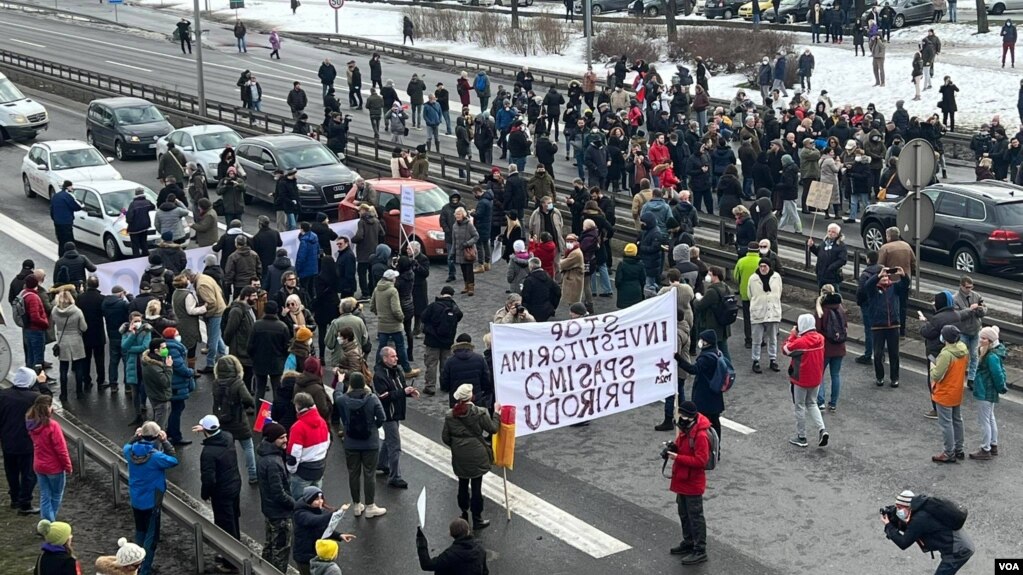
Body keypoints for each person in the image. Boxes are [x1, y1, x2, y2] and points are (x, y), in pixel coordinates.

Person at [442, 384, 500, 530]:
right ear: (471, 397)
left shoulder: (450, 415)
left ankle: (463, 513)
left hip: (460, 455)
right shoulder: (480, 412)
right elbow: (493, 428)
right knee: (476, 487)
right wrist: (497, 413)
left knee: (462, 484)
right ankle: (477, 518)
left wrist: (457, 445)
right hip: (477, 453)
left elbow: (445, 438)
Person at [124, 421, 178, 575]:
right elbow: (174, 460)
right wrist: (165, 441)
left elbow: (126, 446)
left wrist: (135, 436)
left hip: (136, 499)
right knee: (151, 537)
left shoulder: (130, 452)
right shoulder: (156, 458)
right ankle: (144, 568)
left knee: (140, 532)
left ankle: (135, 563)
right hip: (152, 502)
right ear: (156, 437)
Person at [333, 372, 387, 518]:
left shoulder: (343, 400)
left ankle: (357, 505)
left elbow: (336, 395)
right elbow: (382, 417)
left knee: (353, 473)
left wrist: (339, 382)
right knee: (369, 474)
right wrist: (373, 427)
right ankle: (370, 506)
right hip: (370, 442)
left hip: (351, 442)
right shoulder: (372, 398)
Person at [882, 490, 974, 574]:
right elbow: (913, 531)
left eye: (899, 507)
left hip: (959, 551)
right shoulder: (922, 507)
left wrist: (888, 525)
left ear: (908, 507)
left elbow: (903, 542)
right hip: (957, 545)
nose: (898, 510)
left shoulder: (920, 519)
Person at [664, 401, 711, 566]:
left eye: (682, 415)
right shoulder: (687, 429)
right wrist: (673, 448)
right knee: (684, 513)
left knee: (695, 517)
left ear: (689, 417)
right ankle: (689, 541)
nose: (680, 418)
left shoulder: (700, 436)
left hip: (692, 482)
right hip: (682, 479)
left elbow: (701, 461)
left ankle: (700, 550)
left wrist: (677, 458)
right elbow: (681, 446)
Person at [195, 414, 242, 572]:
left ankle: (231, 562)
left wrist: (204, 494)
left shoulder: (208, 453)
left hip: (221, 492)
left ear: (205, 430)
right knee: (233, 519)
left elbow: (208, 479)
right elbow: (215, 433)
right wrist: (207, 429)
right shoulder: (228, 437)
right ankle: (236, 552)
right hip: (234, 484)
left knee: (224, 525)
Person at [783, 314, 829, 448]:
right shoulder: (820, 338)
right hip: (816, 379)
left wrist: (792, 335)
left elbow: (786, 349)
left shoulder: (800, 342)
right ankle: (822, 429)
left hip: (801, 379)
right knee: (812, 403)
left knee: (800, 406)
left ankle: (801, 436)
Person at [211, 355, 258, 484]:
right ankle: (253, 475)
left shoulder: (216, 383)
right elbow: (248, 399)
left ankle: (228, 475)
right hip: (238, 419)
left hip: (222, 420)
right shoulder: (237, 383)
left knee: (226, 450)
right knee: (248, 447)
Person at [255, 422, 294, 573]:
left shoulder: (266, 455)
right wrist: (294, 504)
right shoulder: (272, 462)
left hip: (270, 510)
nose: (286, 440)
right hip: (280, 514)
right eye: (282, 438)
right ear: (272, 439)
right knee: (280, 552)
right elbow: (279, 493)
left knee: (270, 547)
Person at [26, 394, 70, 523]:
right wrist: (68, 465)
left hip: (39, 464)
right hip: (54, 466)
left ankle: (45, 522)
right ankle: (50, 524)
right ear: (48, 408)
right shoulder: (52, 426)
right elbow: (61, 449)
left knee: (45, 495)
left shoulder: (31, 423)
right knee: (56, 495)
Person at [929, 325, 968, 463]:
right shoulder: (963, 349)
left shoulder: (946, 354)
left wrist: (933, 367)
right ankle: (959, 448)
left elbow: (937, 375)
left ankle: (948, 452)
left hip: (945, 392)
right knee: (957, 420)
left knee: (946, 424)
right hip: (956, 390)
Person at [293, 488, 355, 575]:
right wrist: (335, 514)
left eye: (321, 498)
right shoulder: (300, 514)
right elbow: (316, 521)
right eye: (316, 499)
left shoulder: (316, 509)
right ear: (309, 499)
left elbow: (323, 529)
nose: (320, 501)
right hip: (304, 557)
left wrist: (339, 535)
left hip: (314, 554)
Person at [864, 267, 908, 387]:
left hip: (893, 325)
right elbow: (867, 285)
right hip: (878, 326)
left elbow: (905, 285)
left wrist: (903, 275)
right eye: (882, 277)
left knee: (894, 354)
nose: (884, 278)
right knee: (878, 354)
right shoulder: (873, 289)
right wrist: (878, 275)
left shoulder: (894, 288)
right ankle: (880, 376)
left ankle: (895, 378)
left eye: (886, 276)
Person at [969, 325, 1005, 460]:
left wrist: (1001, 387)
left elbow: (998, 374)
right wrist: (1000, 388)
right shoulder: (994, 353)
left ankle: (985, 449)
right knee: (990, 417)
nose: (980, 340)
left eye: (983, 338)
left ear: (990, 340)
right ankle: (993, 444)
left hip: (985, 390)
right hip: (989, 390)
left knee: (984, 420)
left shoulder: (990, 356)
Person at [286, 392, 330, 500]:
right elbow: (327, 443)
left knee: (300, 501)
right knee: (316, 499)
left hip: (303, 471)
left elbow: (294, 453)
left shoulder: (298, 427)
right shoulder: (322, 422)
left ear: (298, 406)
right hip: (319, 467)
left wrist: (292, 469)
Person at [420, 286, 462, 397]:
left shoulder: (434, 306)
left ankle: (430, 386)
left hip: (432, 340)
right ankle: (445, 385)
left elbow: (423, 317)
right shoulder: (454, 307)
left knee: (431, 364)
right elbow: (459, 317)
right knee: (446, 364)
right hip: (447, 341)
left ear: (442, 293)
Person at [877, 227, 916, 335]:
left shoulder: (885, 248)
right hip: (904, 281)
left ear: (888, 236)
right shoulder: (906, 246)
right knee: (903, 307)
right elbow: (914, 263)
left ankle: (891, 329)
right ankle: (902, 331)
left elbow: (880, 266)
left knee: (891, 307)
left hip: (890, 283)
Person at [51, 289, 89, 401]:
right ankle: (79, 392)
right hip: (76, 341)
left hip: (62, 341)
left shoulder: (54, 310)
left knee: (63, 369)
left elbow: (52, 324)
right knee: (78, 368)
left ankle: (63, 394)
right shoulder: (77, 311)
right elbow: (84, 327)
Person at [814, 285, 848, 411]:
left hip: (825, 348)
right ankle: (833, 403)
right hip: (839, 347)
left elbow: (817, 329)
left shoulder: (821, 309)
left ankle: (820, 401)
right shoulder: (840, 308)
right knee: (835, 375)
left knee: (820, 375)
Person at [416, 518, 489, 574]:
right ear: (468, 531)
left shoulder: (449, 555)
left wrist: (421, 541)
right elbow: (485, 572)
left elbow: (427, 565)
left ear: (451, 534)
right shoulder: (480, 549)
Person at [748, 258, 782, 374]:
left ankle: (773, 360)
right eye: (761, 266)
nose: (762, 268)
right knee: (756, 340)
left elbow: (779, 292)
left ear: (769, 267)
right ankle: (755, 361)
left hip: (773, 313)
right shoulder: (753, 278)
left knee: (773, 338)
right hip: (758, 312)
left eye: (765, 266)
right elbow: (750, 294)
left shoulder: (776, 277)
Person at [140, 338, 173, 430]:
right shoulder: (154, 367)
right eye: (163, 348)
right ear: (156, 350)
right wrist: (169, 367)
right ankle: (158, 443)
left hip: (156, 395)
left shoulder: (151, 361)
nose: (166, 350)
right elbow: (165, 382)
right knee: (160, 428)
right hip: (161, 397)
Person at [807, 223, 847, 290]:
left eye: (833, 232)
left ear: (837, 234)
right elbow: (819, 253)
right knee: (822, 293)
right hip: (821, 274)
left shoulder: (841, 245)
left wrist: (831, 268)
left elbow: (843, 260)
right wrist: (812, 247)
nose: (830, 233)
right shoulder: (824, 242)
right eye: (829, 231)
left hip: (832, 276)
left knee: (833, 294)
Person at [452, 207, 480, 297]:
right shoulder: (454, 226)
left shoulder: (469, 225)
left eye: (459, 214)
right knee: (463, 270)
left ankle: (471, 287)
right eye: (456, 214)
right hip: (459, 251)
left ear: (463, 215)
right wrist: (452, 251)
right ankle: (466, 286)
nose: (457, 216)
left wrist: (468, 243)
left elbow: (476, 236)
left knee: (469, 270)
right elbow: (454, 240)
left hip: (468, 251)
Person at [50, 181, 82, 257]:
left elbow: (51, 209)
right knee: (69, 240)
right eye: (71, 187)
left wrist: (55, 219)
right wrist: (81, 206)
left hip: (57, 222)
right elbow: (76, 207)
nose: (72, 188)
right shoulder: (68, 196)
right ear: (68, 187)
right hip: (66, 222)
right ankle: (71, 256)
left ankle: (61, 256)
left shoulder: (56, 196)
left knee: (61, 241)